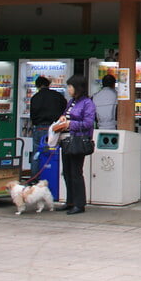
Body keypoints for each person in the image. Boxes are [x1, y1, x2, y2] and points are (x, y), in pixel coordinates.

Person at [51, 74, 96, 215]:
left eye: (70, 86)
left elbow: (88, 123)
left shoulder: (87, 103)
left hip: (77, 141)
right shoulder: (71, 102)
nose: (68, 89)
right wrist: (62, 118)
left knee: (76, 172)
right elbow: (66, 115)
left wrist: (71, 124)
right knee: (67, 172)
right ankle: (70, 201)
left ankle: (79, 204)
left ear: (78, 87)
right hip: (66, 140)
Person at [29, 76, 66, 176]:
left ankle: (35, 178)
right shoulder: (57, 96)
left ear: (37, 86)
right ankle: (52, 176)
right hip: (55, 128)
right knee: (54, 153)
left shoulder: (35, 98)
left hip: (40, 128)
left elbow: (32, 116)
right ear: (48, 85)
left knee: (37, 153)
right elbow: (64, 110)